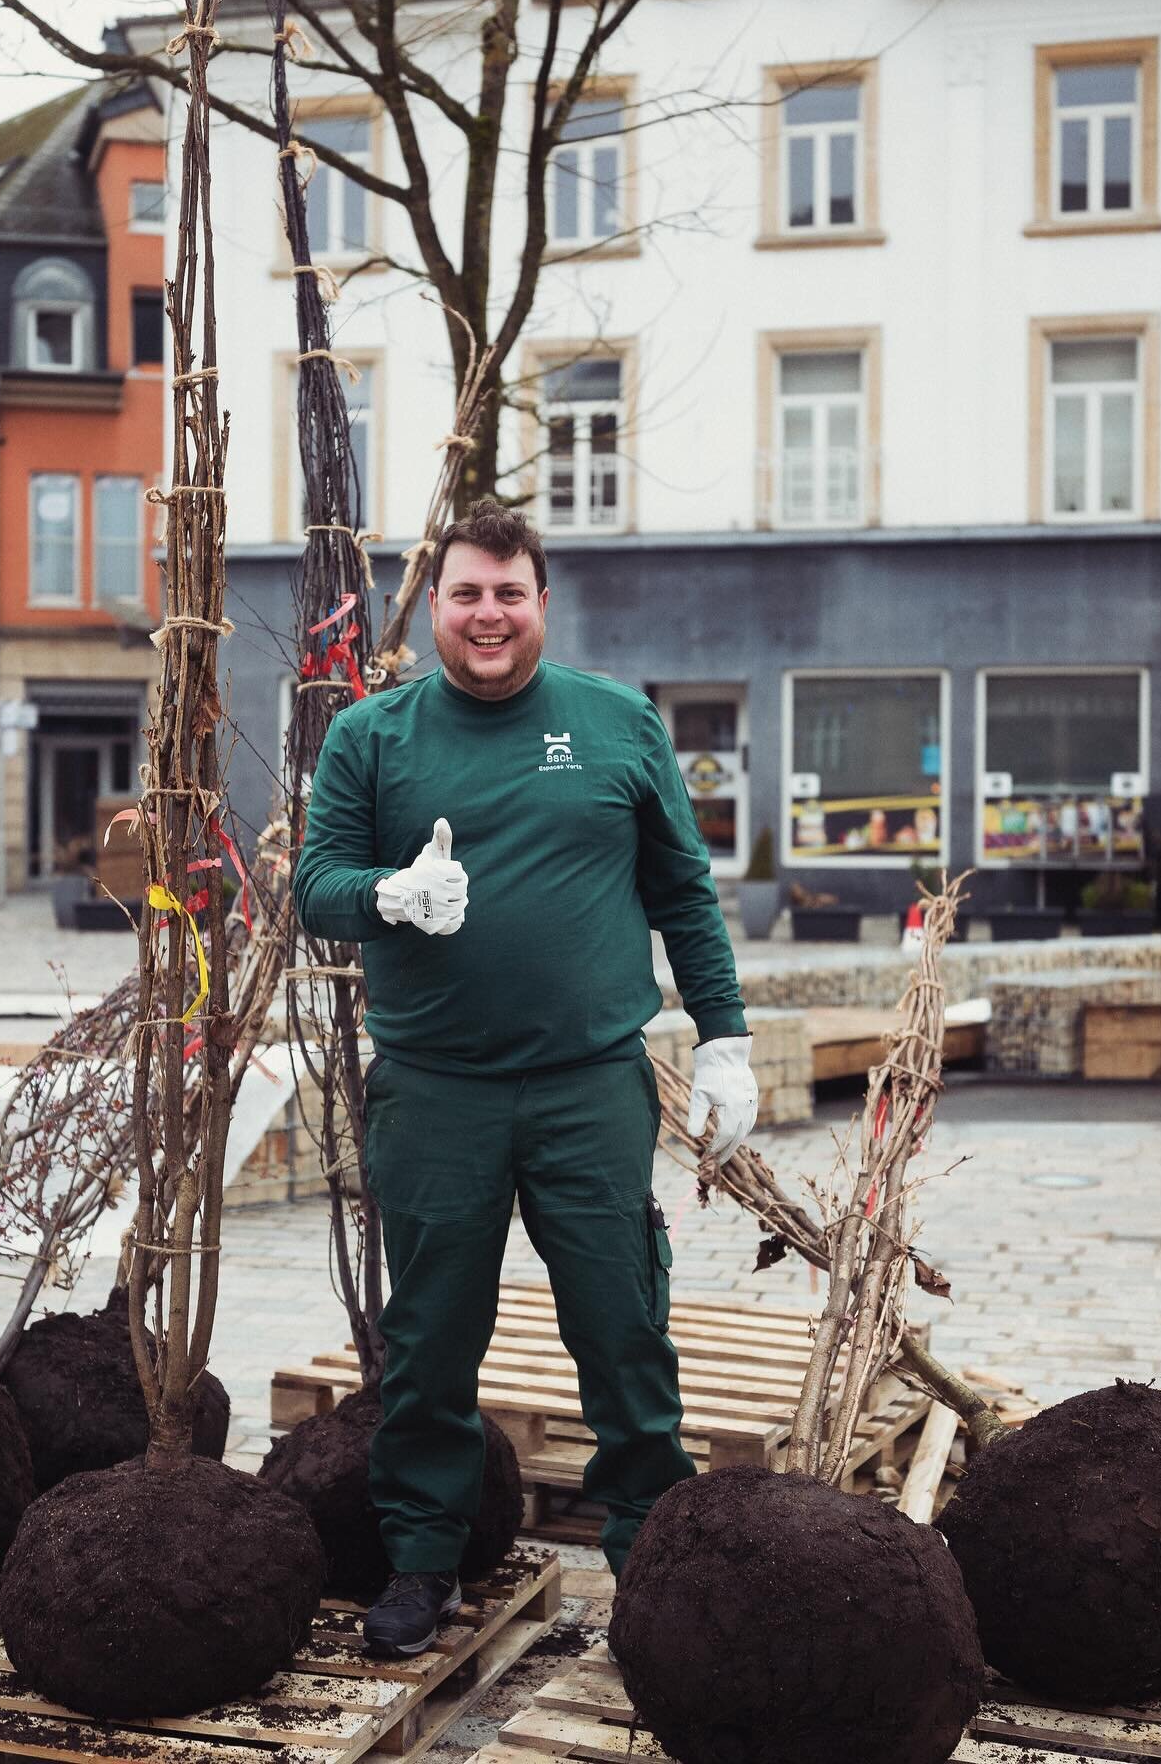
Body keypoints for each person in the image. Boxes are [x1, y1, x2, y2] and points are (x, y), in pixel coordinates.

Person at [293, 501, 757, 1657]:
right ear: (434, 608)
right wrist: (387, 895)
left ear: (542, 604)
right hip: (436, 1090)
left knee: (622, 1325)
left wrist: (728, 1037)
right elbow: (312, 886)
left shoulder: (615, 725)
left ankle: (653, 1559)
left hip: (588, 1085)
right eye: (467, 594)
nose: (488, 614)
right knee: (434, 1337)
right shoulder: (375, 738)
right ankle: (421, 1563)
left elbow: (683, 894)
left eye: (510, 593)